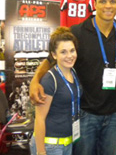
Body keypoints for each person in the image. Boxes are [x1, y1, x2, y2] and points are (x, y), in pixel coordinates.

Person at [29, 0, 116, 155]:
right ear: (94, 4)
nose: (108, 5)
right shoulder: (78, 32)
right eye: (103, 1)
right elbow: (50, 60)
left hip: (115, 114)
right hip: (86, 114)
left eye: (113, 1)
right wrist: (35, 80)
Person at [30, 27, 82, 155]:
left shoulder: (73, 73)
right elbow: (40, 119)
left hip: (67, 143)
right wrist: (41, 151)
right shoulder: (50, 79)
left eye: (72, 50)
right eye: (63, 52)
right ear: (54, 54)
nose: (69, 56)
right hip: (50, 146)